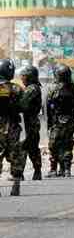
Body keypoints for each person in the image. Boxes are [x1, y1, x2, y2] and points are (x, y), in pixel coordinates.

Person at [46, 64, 74, 178]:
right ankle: (66, 170)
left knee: (54, 145)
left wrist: (49, 121)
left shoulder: (53, 88)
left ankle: (53, 170)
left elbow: (48, 105)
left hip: (57, 121)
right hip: (70, 120)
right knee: (67, 145)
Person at [0, 59, 24, 195]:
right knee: (15, 154)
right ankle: (16, 185)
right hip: (12, 126)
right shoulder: (16, 89)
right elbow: (24, 107)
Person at [17, 65, 43, 180]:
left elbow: (22, 104)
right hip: (29, 122)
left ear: (29, 77)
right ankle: (36, 172)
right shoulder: (33, 88)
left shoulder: (32, 89)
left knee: (25, 147)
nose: (22, 78)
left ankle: (20, 174)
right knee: (31, 147)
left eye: (23, 76)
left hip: (29, 123)